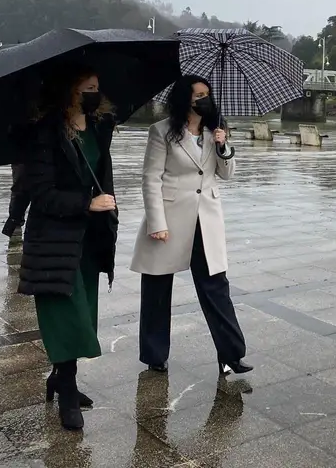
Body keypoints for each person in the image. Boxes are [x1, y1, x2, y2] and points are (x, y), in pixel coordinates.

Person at [18, 66, 118, 431]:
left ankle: (60, 377)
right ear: (70, 90)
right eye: (88, 87)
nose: (95, 93)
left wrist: (106, 208)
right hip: (53, 239)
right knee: (65, 313)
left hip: (89, 238)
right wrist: (86, 203)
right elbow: (42, 194)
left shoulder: (99, 128)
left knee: (83, 310)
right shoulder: (45, 132)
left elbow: (101, 175)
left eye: (97, 87)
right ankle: (68, 391)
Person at [131, 75, 251, 377]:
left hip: (206, 220)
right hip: (170, 218)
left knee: (216, 287)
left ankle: (231, 354)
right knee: (157, 289)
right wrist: (156, 222)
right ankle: (155, 355)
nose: (203, 99)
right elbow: (151, 178)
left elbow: (227, 174)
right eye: (197, 95)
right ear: (184, 98)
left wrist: (223, 146)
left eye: (206, 94)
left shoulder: (215, 130)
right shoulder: (161, 132)